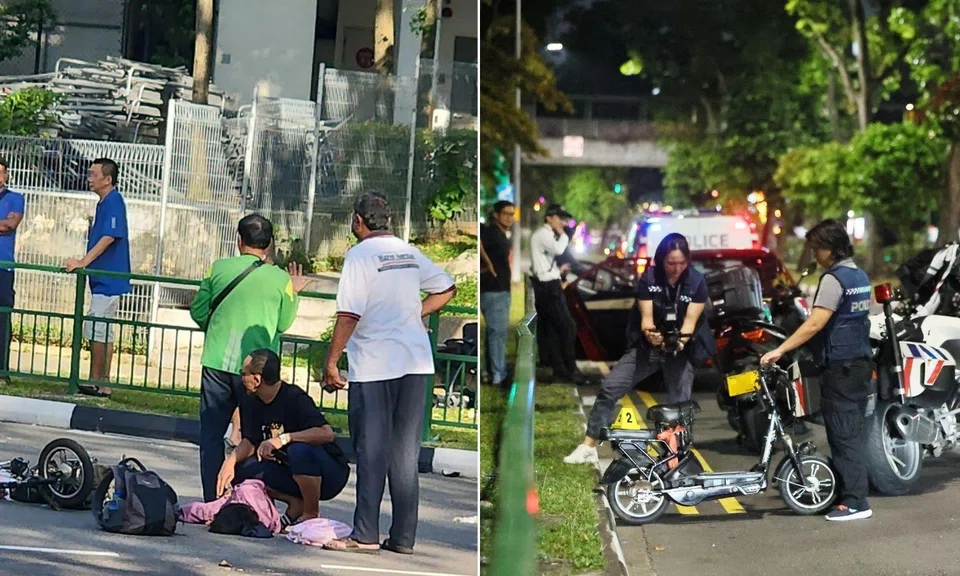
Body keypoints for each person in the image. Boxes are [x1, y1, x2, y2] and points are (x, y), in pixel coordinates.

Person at [322, 191, 455, 555]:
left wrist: (332, 361)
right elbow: (446, 288)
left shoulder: (359, 255)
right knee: (404, 454)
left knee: (371, 451)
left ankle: (364, 534)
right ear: (390, 220)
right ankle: (402, 538)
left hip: (375, 366)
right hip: (415, 363)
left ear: (358, 221)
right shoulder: (408, 252)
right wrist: (416, 314)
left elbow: (348, 314)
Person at [565, 233, 714, 464]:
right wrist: (652, 336)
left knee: (679, 404)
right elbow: (646, 319)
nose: (676, 268)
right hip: (648, 346)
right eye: (671, 263)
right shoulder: (649, 278)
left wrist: (679, 342)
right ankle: (589, 445)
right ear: (661, 260)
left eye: (682, 263)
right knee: (610, 388)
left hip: (683, 348)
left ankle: (676, 457)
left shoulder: (696, 282)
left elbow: (690, 324)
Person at [190, 214, 309, 503]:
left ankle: (212, 499)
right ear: (268, 245)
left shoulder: (217, 269)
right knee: (253, 436)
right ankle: (245, 497)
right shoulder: (281, 280)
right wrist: (294, 291)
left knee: (211, 436)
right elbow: (283, 323)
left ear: (238, 240)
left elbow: (197, 311)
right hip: (257, 371)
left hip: (217, 362)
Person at [760, 219, 874, 522]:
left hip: (841, 367)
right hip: (859, 363)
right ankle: (848, 492)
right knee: (851, 431)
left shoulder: (834, 279)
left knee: (843, 432)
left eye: (816, 249)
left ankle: (855, 503)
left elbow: (815, 322)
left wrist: (781, 350)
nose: (814, 255)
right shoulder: (859, 275)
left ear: (830, 248)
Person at [215, 349, 349, 526]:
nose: (241, 378)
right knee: (243, 470)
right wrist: (230, 461)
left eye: (243, 373)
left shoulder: (294, 398)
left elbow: (326, 433)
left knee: (298, 450)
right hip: (289, 470)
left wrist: (283, 439)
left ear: (257, 379)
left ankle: (311, 513)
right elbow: (250, 441)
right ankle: (293, 503)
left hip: (328, 473)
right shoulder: (250, 400)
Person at [65, 158, 131, 397]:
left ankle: (97, 380)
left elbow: (109, 236)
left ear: (107, 179)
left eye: (94, 174)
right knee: (102, 329)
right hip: (102, 278)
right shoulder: (104, 203)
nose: (89, 178)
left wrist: (84, 261)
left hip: (109, 279)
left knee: (97, 329)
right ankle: (102, 381)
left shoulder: (113, 202)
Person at [529, 204, 585, 385]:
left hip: (548, 284)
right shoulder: (544, 235)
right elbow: (560, 250)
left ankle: (559, 369)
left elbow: (555, 257)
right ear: (549, 218)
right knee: (568, 327)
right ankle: (570, 369)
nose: (563, 223)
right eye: (560, 219)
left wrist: (559, 269)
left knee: (554, 330)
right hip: (548, 287)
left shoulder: (546, 235)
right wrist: (564, 234)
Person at [480, 200, 515, 387]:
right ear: (496, 215)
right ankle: (498, 375)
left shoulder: (498, 234)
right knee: (497, 335)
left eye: (512, 214)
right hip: (495, 290)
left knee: (494, 335)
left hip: (497, 289)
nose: (510, 217)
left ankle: (489, 373)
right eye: (506, 214)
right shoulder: (492, 234)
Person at [0, 158, 24, 386]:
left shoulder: (15, 198)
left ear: (7, 175)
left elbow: (9, 225)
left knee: (2, 317)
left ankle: (1, 369)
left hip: (3, 268)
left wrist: (5, 224)